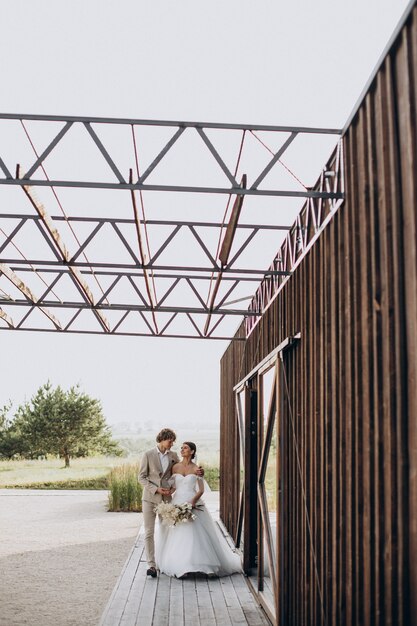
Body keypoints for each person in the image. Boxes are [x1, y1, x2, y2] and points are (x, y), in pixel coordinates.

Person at [155, 441, 241, 578]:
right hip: (177, 502)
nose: (182, 450)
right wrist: (166, 493)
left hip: (192, 502)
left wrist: (193, 502)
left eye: (185, 448)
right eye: (181, 448)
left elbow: (201, 490)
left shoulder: (197, 469)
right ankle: (182, 567)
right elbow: (174, 487)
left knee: (197, 534)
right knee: (180, 533)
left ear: (192, 451)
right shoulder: (175, 467)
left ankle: (206, 567)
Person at [138, 428, 204, 578]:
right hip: (149, 498)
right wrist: (156, 489)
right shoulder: (147, 455)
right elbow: (141, 478)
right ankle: (151, 565)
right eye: (170, 441)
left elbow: (184, 470)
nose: (172, 444)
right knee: (149, 532)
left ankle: (164, 562)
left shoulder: (174, 456)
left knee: (167, 530)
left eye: (173, 441)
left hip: (167, 500)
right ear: (162, 439)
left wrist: (200, 472)